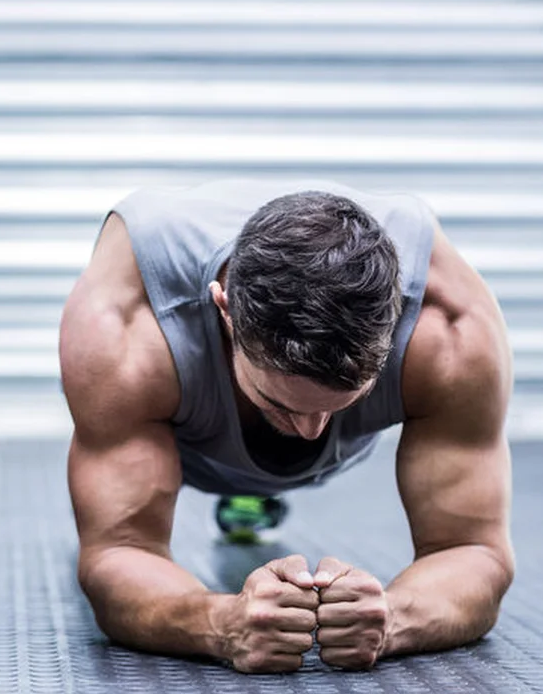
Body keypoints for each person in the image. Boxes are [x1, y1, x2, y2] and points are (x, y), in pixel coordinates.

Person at [59, 180, 514, 673]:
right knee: (157, 441)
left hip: (254, 397)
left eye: (341, 403)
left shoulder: (448, 331)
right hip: (192, 433)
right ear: (225, 308)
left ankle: (264, 448)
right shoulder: (127, 330)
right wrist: (220, 622)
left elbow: (474, 551)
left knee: (293, 429)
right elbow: (119, 552)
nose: (311, 432)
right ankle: (244, 479)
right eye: (280, 403)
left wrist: (395, 617)